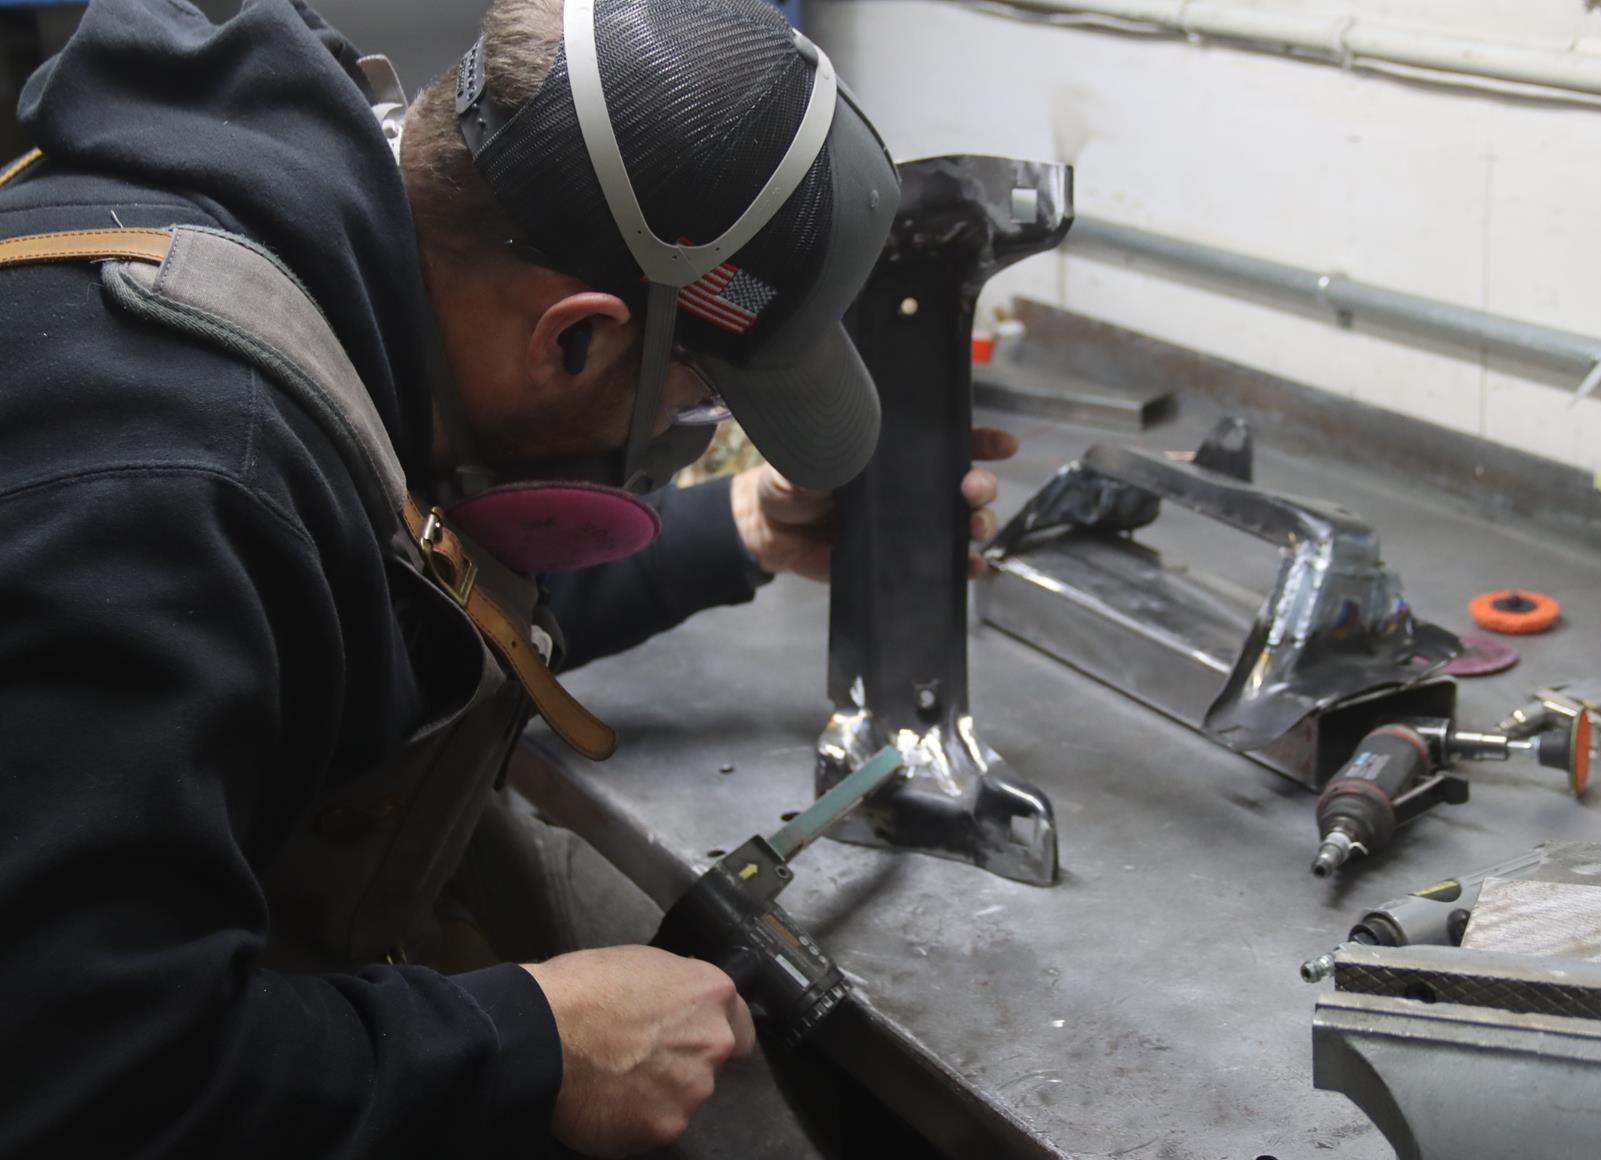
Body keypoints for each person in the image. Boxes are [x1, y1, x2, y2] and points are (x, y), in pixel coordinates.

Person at [0, 0, 1012, 1156]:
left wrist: (745, 526)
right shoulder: (170, 486)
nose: (675, 433)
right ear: (572, 338)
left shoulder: (297, 234)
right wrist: (537, 1043)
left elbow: (392, 592)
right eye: (690, 398)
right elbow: (88, 1083)